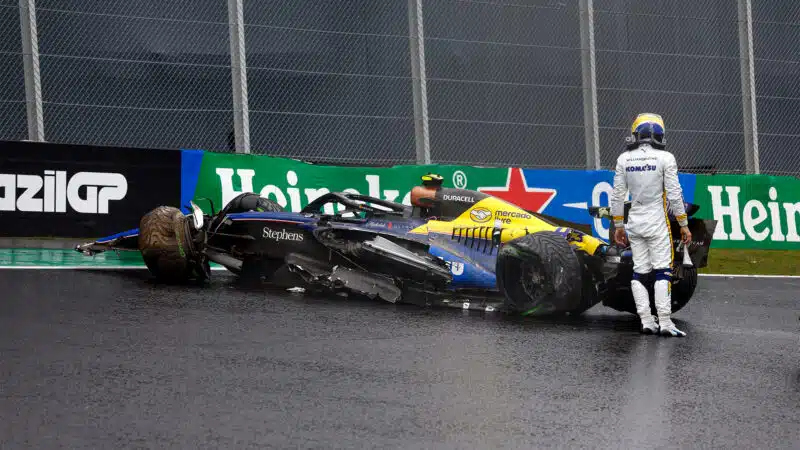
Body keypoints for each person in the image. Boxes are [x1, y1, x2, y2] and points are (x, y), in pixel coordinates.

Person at [610, 113, 692, 337]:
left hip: (634, 223)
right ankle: (664, 322)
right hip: (657, 224)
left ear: (636, 134)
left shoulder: (623, 159)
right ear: (659, 134)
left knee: (639, 273)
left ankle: (646, 320)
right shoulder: (666, 158)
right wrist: (683, 224)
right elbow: (675, 194)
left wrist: (618, 225)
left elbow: (617, 195)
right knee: (663, 272)